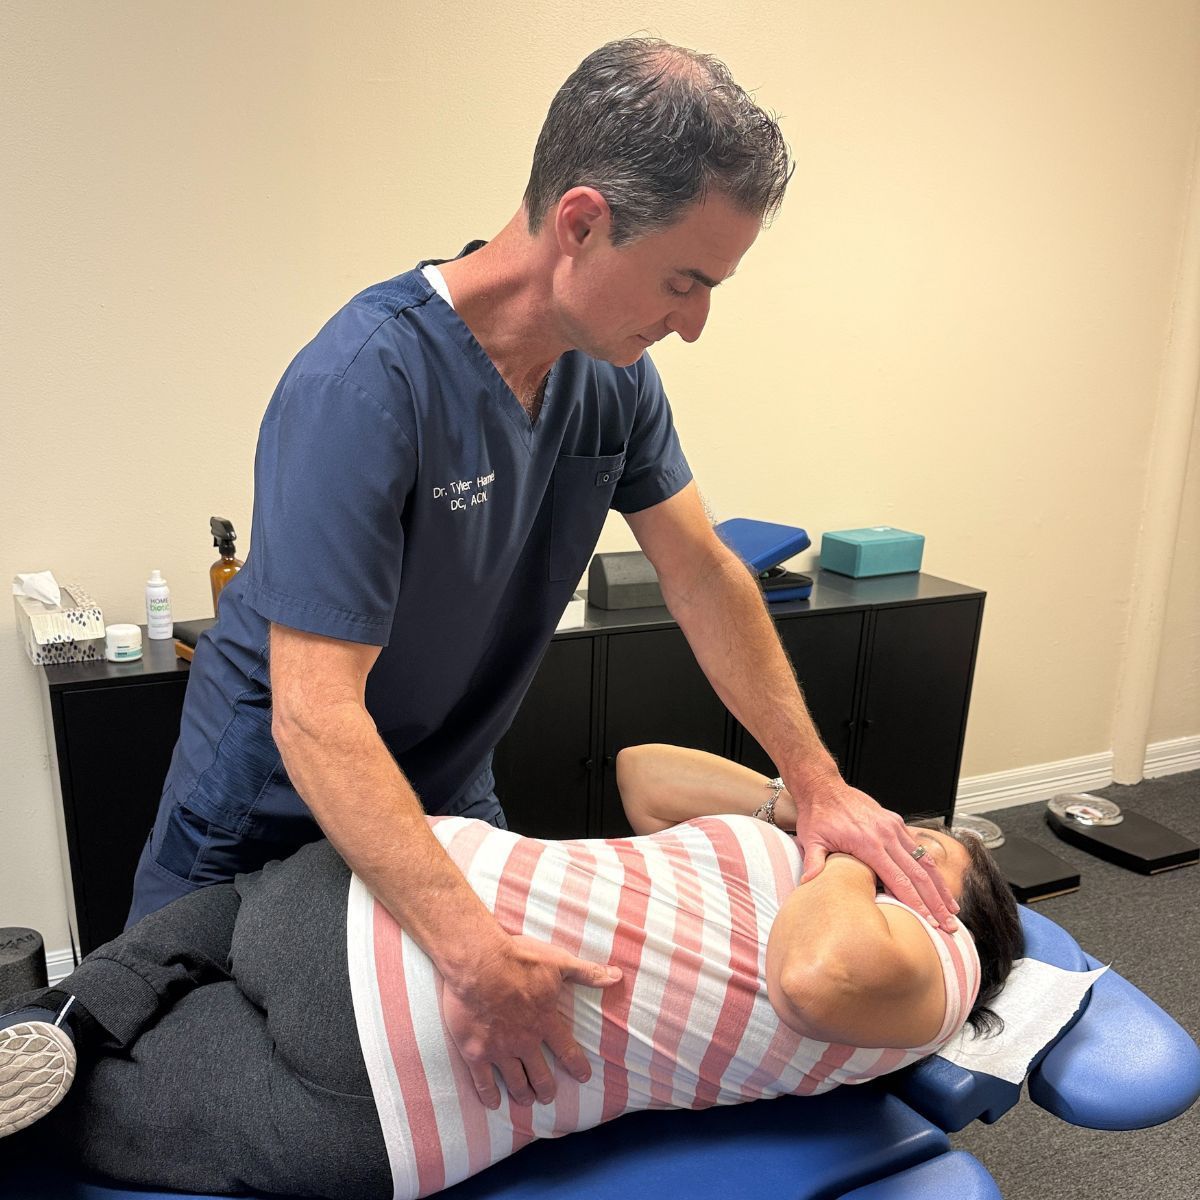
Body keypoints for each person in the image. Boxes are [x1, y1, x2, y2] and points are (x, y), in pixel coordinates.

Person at [127, 36, 960, 1114]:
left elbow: (703, 573)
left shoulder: (611, 383)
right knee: (174, 1076)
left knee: (464, 1092)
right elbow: (316, 717)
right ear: (579, 223)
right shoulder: (365, 382)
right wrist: (471, 949)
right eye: (685, 280)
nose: (696, 321)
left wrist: (816, 785)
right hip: (268, 808)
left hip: (447, 791)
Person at [0, 746, 1021, 1199]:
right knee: (89, 1109)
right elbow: (642, 771)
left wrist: (856, 857)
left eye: (926, 848)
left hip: (379, 1001)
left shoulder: (942, 962)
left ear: (958, 905)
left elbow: (817, 973)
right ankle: (71, 1030)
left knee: (201, 932)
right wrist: (813, 803)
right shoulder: (804, 867)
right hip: (381, 1069)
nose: (901, 838)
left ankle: (75, 1014)